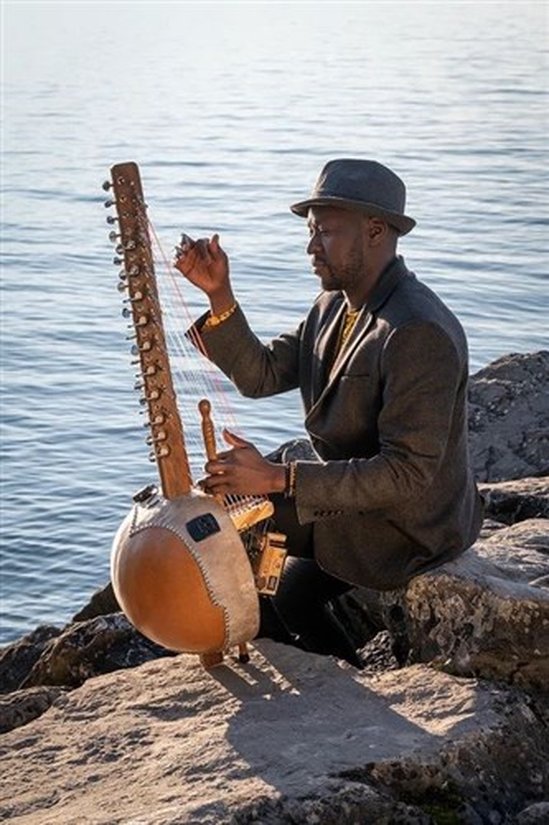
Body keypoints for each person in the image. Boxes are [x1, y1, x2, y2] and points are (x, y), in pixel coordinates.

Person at [174, 158, 484, 668]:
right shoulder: (334, 306)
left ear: (376, 231)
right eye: (311, 232)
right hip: (356, 501)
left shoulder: (417, 331)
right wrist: (219, 295)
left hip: (410, 525)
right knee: (276, 594)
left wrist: (278, 478)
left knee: (251, 557)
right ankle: (348, 682)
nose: (311, 247)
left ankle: (351, 701)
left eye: (325, 233)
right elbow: (263, 375)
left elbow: (407, 474)